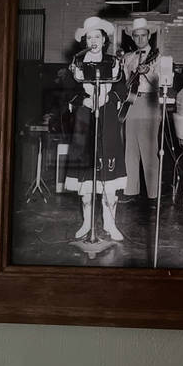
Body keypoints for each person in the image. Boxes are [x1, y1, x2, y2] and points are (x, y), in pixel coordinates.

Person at [64, 17, 126, 241]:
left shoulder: (113, 62)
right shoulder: (77, 64)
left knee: (109, 178)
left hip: (107, 120)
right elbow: (68, 90)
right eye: (89, 37)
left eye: (97, 37)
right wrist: (84, 100)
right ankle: (86, 223)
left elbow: (122, 89)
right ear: (85, 40)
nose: (93, 41)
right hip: (85, 119)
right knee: (87, 181)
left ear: (103, 39)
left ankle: (110, 224)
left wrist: (108, 97)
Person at [121, 18, 161, 203]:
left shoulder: (159, 57)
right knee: (130, 148)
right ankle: (130, 191)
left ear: (149, 35)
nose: (139, 39)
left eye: (143, 35)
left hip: (149, 102)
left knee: (149, 149)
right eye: (136, 36)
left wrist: (148, 72)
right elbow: (124, 81)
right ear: (132, 37)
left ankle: (153, 195)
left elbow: (162, 83)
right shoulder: (128, 57)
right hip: (131, 102)